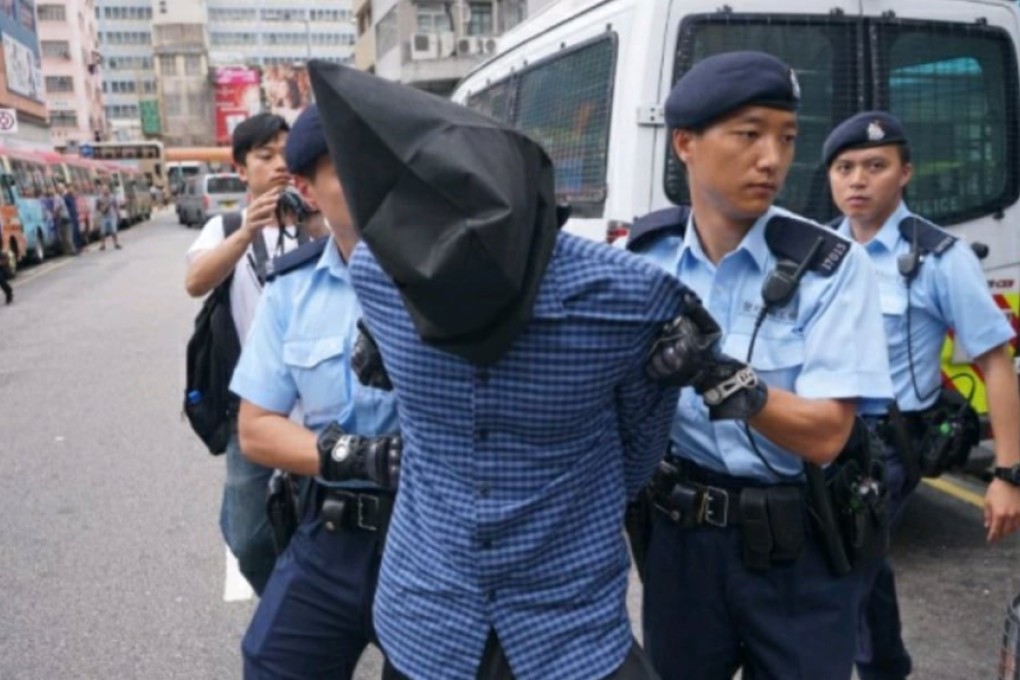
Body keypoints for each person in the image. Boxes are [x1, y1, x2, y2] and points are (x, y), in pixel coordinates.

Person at [310, 62, 690, 680]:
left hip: (435, 621)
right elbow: (638, 455)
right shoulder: (630, 296)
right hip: (565, 628)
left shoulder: (378, 277)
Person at [628, 51, 894, 680]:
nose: (772, 158)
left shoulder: (831, 266)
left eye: (787, 138)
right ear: (686, 143)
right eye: (749, 134)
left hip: (799, 550)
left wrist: (722, 378)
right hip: (681, 546)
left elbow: (830, 432)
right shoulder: (644, 260)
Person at [823, 110, 1020, 680]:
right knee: (863, 561)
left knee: (838, 572)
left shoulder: (939, 258)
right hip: (822, 435)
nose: (858, 180)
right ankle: (886, 667)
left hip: (888, 444)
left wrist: (1008, 475)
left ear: (905, 173)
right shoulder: (818, 249)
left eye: (875, 166)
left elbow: (996, 364)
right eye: (845, 167)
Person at [230, 104, 399, 678]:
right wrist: (352, 454)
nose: (371, 177)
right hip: (332, 532)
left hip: (430, 538)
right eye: (347, 167)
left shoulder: (445, 277)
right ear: (305, 188)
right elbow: (255, 428)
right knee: (272, 665)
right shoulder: (292, 290)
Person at [184, 112, 298, 595]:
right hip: (248, 405)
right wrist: (245, 233)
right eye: (265, 155)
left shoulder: (314, 221)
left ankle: (301, 612)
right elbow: (195, 281)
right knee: (249, 539)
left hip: (318, 403)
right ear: (240, 166)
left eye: (285, 154)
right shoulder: (226, 226)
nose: (279, 164)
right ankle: (278, 601)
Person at [58, 182, 84, 253]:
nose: (71, 189)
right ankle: (74, 248)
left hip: (75, 216)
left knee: (77, 232)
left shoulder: (72, 197)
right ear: (67, 189)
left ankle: (79, 247)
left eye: (71, 188)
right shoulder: (65, 197)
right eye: (69, 188)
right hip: (70, 217)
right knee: (73, 233)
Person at [49, 185, 74, 256]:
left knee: (65, 235)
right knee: (66, 234)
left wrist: (54, 215)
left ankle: (70, 250)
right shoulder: (60, 197)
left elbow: (57, 207)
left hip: (63, 218)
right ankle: (69, 250)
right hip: (65, 217)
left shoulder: (57, 197)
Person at [96, 185, 121, 251]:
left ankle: (116, 243)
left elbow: (116, 205)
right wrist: (101, 209)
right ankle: (102, 245)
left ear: (109, 190)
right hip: (103, 217)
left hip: (112, 216)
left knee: (114, 230)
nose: (106, 191)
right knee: (102, 232)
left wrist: (118, 214)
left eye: (107, 189)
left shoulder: (112, 197)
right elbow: (97, 206)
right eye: (104, 190)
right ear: (102, 191)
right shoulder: (99, 198)